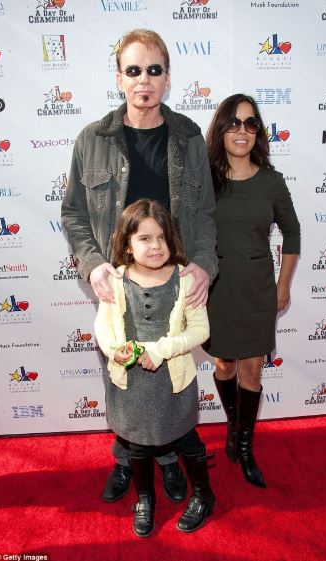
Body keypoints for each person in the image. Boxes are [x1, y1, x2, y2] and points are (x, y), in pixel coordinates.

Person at [61, 29, 217, 503]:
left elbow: (207, 214)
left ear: (167, 78)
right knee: (123, 374)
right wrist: (92, 266)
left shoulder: (189, 137)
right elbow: (73, 213)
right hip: (117, 283)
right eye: (134, 70)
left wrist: (206, 266)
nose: (144, 79)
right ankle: (128, 457)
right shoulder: (93, 139)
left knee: (169, 373)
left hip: (175, 281)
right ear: (119, 78)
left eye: (153, 69)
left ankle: (168, 459)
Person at [94, 199, 215, 537]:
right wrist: (116, 350)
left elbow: (201, 331)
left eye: (161, 237)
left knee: (188, 440)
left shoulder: (186, 279)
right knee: (137, 445)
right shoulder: (115, 282)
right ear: (127, 245)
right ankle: (144, 498)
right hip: (130, 383)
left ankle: (205, 495)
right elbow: (103, 328)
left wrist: (162, 349)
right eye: (145, 238)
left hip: (173, 379)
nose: (156, 245)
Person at [204, 94, 300, 489]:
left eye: (250, 124)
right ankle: (233, 425)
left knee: (253, 368)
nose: (241, 131)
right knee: (225, 364)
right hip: (217, 289)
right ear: (221, 129)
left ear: (257, 131)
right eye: (233, 123)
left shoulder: (272, 182)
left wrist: (283, 286)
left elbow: (292, 233)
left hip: (259, 288)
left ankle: (244, 446)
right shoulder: (206, 181)